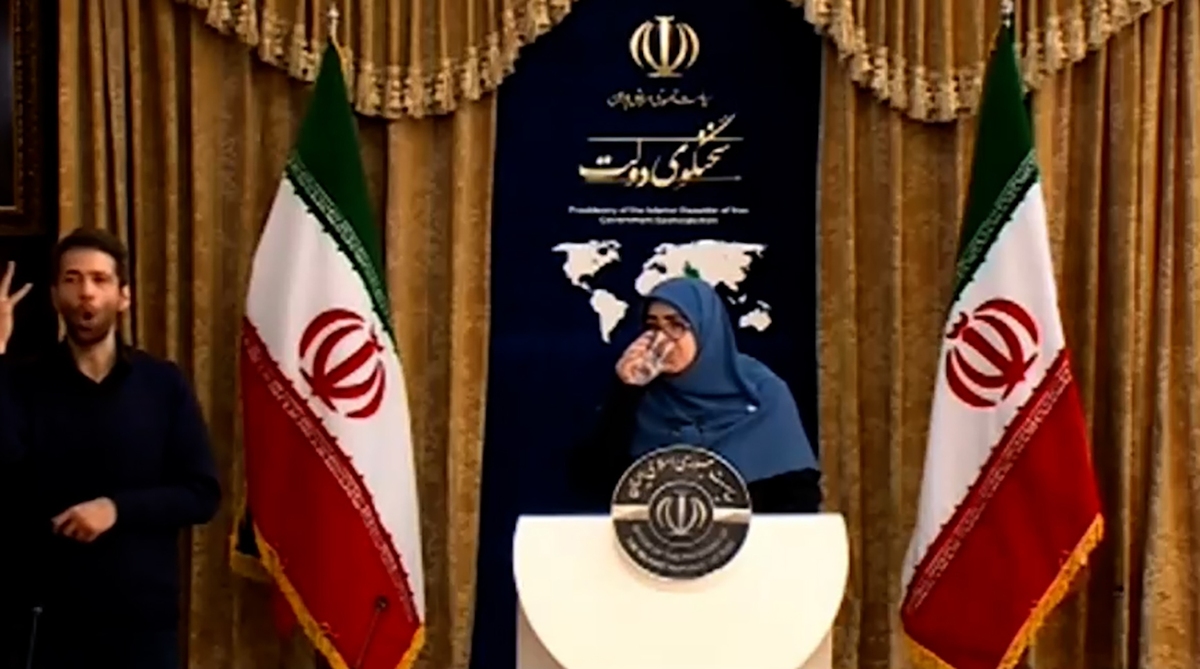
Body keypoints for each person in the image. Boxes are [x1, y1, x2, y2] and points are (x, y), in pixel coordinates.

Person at [0, 229, 221, 669]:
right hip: (49, 623)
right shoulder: (22, 382)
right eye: (72, 279)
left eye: (100, 280)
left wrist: (116, 509)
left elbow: (202, 493)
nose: (86, 292)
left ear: (124, 297)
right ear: (55, 296)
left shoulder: (163, 384)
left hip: (143, 625)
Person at [571, 277, 821, 512]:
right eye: (652, 326)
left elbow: (799, 499)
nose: (661, 340)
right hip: (655, 540)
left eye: (676, 325)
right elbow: (594, 485)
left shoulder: (760, 392)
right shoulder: (641, 395)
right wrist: (626, 390)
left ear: (706, 330)